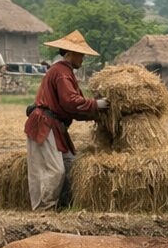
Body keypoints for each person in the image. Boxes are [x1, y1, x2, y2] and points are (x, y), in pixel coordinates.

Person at [24, 30, 108, 211]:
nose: (83, 58)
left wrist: (97, 113)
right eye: (81, 54)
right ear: (70, 53)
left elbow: (73, 108)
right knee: (55, 171)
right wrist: (97, 105)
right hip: (45, 125)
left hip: (56, 126)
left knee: (71, 164)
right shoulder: (61, 72)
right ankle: (44, 210)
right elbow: (70, 102)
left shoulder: (63, 71)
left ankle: (63, 205)